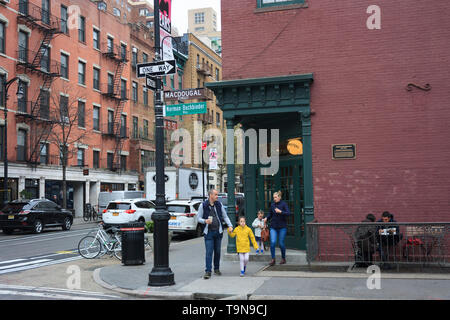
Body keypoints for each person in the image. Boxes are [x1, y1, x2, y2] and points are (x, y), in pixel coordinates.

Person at [196, 189, 234, 279]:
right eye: (216, 195)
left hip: (218, 231)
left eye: (217, 195)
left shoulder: (219, 204)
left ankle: (216, 268)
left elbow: (225, 216)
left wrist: (230, 225)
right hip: (208, 233)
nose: (217, 196)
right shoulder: (203, 205)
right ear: (210, 195)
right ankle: (208, 271)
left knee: (217, 251)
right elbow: (198, 218)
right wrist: (205, 221)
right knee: (209, 252)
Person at [263, 190, 290, 266]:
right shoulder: (272, 205)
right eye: (273, 197)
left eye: (275, 197)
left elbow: (288, 213)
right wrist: (266, 218)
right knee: (273, 242)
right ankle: (273, 259)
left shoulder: (284, 204)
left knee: (281, 243)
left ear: (279, 197)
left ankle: (283, 258)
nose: (274, 199)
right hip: (273, 227)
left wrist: (281, 212)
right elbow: (270, 214)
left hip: (282, 227)